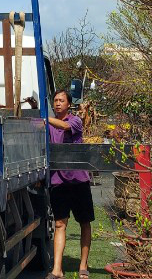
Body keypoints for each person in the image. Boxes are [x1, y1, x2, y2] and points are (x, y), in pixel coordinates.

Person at [48, 89, 94, 279]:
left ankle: (83, 265)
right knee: (60, 224)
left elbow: (63, 127)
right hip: (58, 180)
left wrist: (45, 118)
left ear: (68, 104)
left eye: (61, 100)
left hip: (79, 180)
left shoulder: (75, 121)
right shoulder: (47, 123)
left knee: (84, 223)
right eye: (55, 100)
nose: (58, 103)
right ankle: (57, 269)